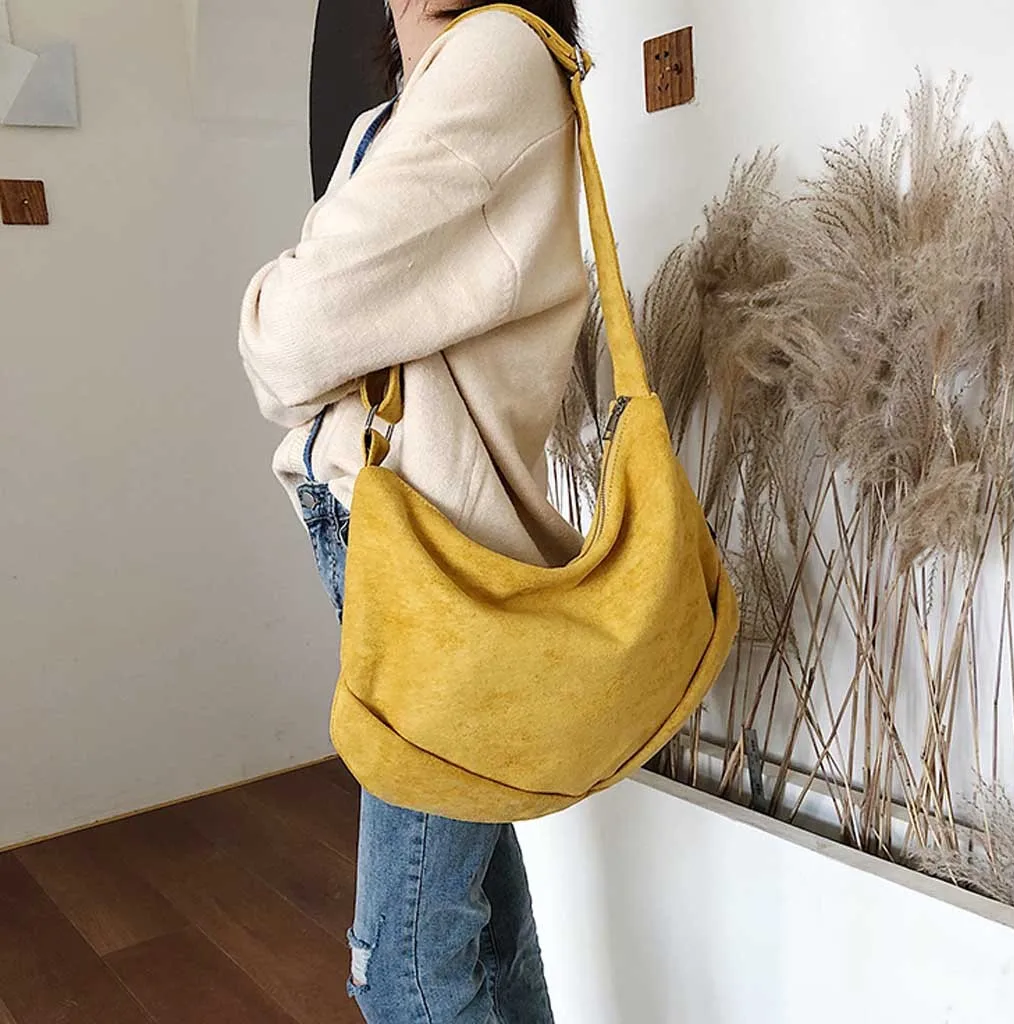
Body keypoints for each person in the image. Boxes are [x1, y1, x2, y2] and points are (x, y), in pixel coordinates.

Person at [239, 2, 586, 1020]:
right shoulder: (387, 117)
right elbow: (317, 325)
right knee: (484, 938)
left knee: (402, 968)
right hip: (389, 541)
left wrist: (279, 302)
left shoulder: (500, 53)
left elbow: (291, 339)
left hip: (440, 558)